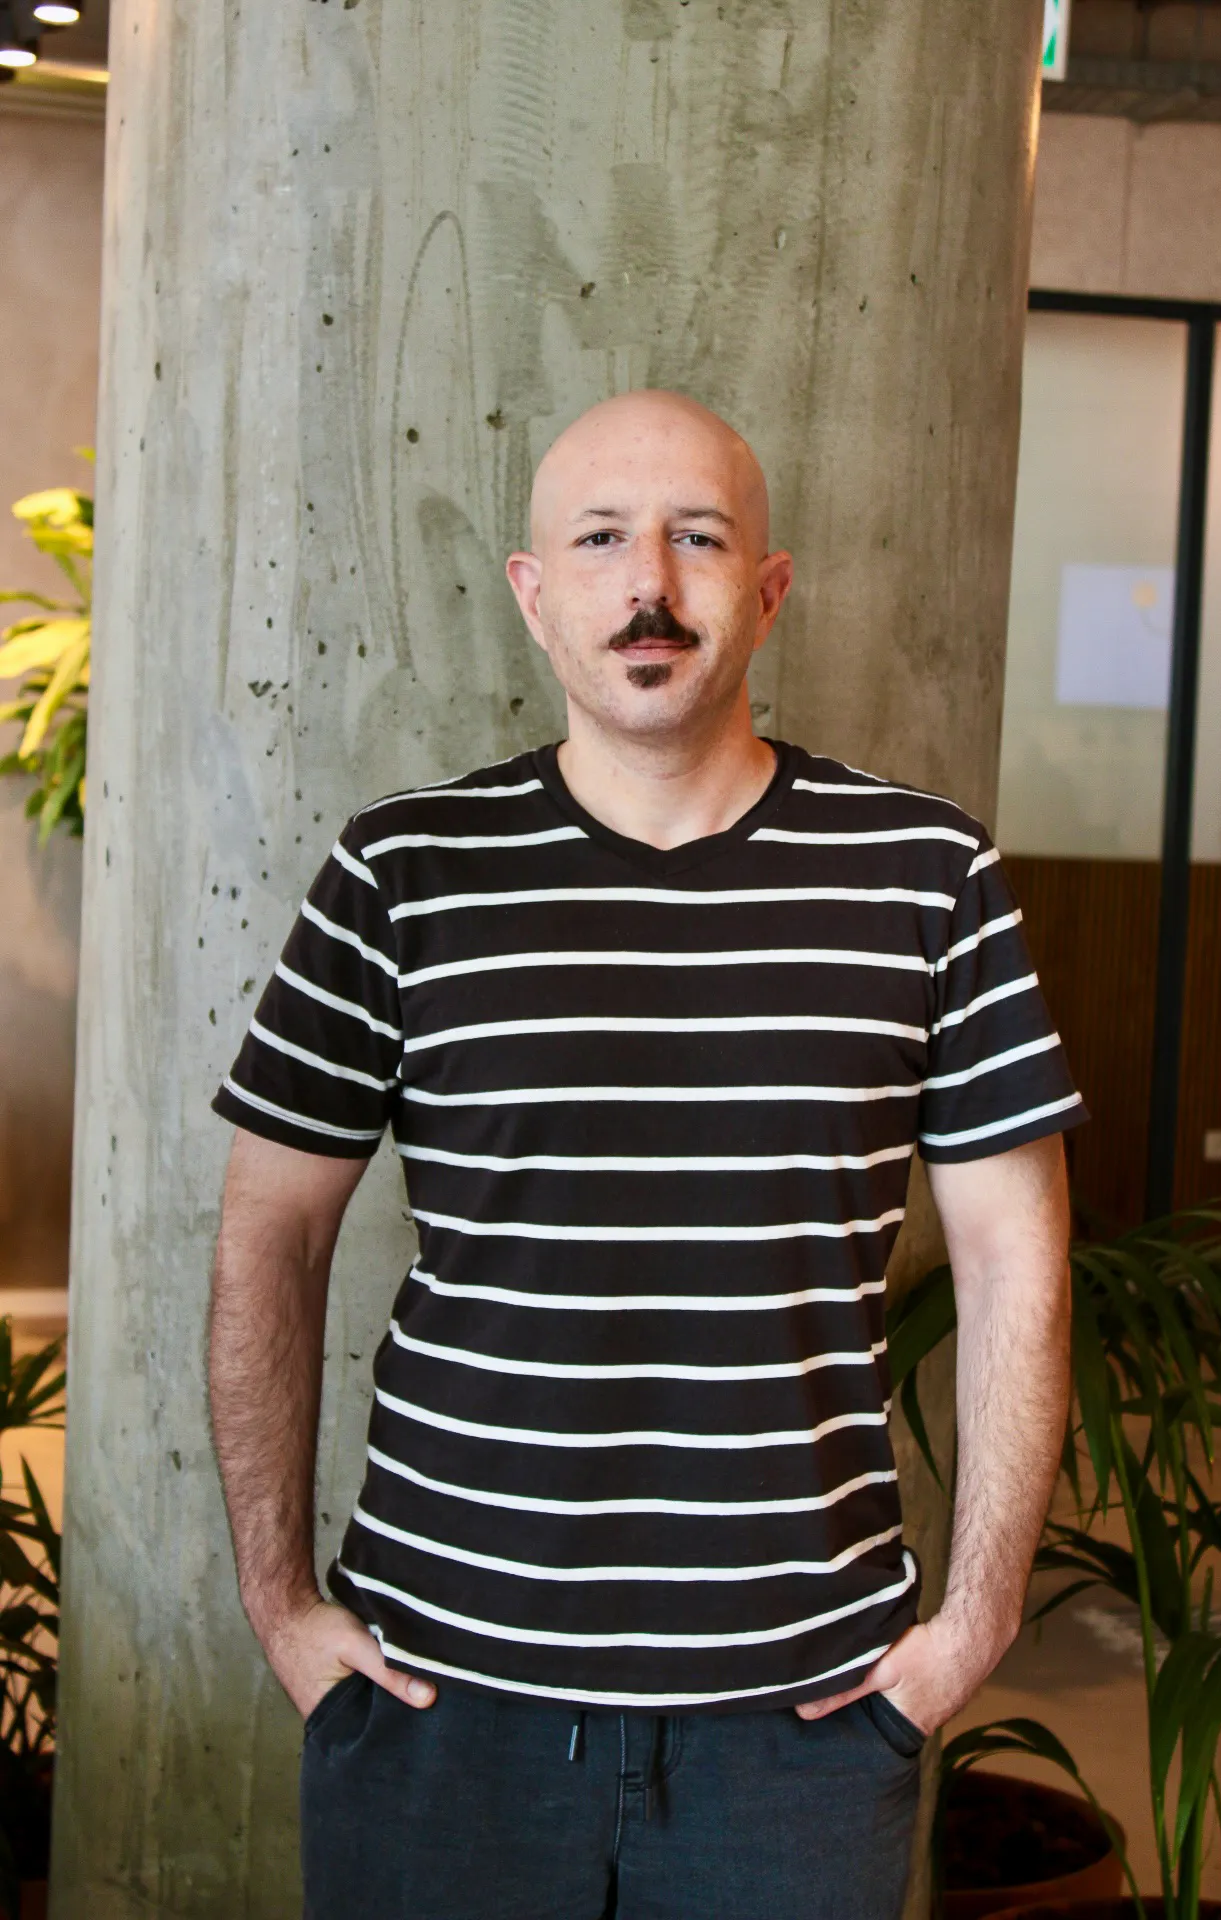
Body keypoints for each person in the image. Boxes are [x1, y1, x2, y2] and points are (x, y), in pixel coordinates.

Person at [208, 389, 1081, 1920]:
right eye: (602, 540)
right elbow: (266, 1237)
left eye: (698, 537)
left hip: (803, 1721)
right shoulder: (401, 875)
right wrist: (280, 1607)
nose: (651, 585)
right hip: (436, 1702)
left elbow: (1020, 1259)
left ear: (769, 587)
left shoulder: (926, 877)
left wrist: (974, 1623)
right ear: (536, 596)